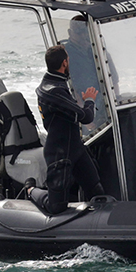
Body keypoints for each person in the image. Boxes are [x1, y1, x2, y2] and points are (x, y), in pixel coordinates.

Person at [27, 45, 105, 214]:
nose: (70, 63)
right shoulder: (53, 91)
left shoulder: (55, 81)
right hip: (60, 153)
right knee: (56, 206)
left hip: (76, 148)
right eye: (69, 60)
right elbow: (86, 117)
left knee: (96, 192)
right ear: (64, 63)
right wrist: (90, 100)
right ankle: (30, 190)